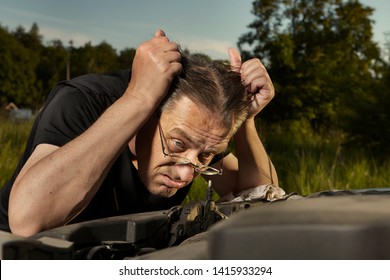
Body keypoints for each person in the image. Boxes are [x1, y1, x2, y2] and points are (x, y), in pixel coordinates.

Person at [0, 30, 278, 237]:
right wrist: (138, 98)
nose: (186, 175)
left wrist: (245, 121)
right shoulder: (83, 100)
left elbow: (263, 201)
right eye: (178, 144)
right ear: (151, 110)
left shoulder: (200, 133)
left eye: (204, 156)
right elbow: (27, 222)